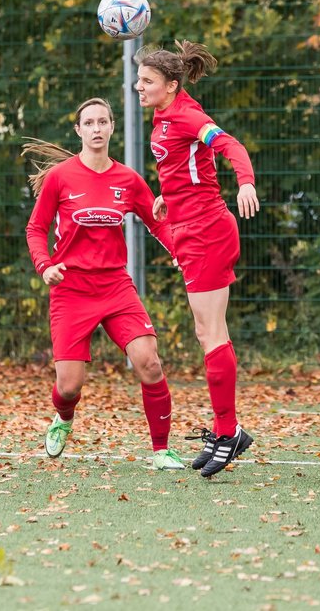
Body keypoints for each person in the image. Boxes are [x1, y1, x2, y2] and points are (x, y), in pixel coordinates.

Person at [23, 97, 187, 471]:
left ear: (112, 127)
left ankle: (161, 450)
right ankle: (63, 419)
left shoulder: (128, 179)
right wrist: (44, 265)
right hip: (71, 289)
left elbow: (157, 221)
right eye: (89, 123)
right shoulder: (60, 177)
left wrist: (179, 251)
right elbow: (36, 228)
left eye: (103, 122)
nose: (97, 129)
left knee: (150, 364)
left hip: (115, 286)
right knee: (68, 386)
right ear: (79, 130)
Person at [134, 41, 258, 479]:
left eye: (147, 81)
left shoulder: (186, 114)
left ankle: (228, 432)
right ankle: (230, 431)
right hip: (190, 229)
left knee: (211, 333)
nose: (138, 87)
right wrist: (172, 196)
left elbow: (227, 144)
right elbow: (190, 164)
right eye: (139, 79)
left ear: (170, 85)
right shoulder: (164, 113)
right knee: (206, 331)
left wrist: (245, 182)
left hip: (207, 230)